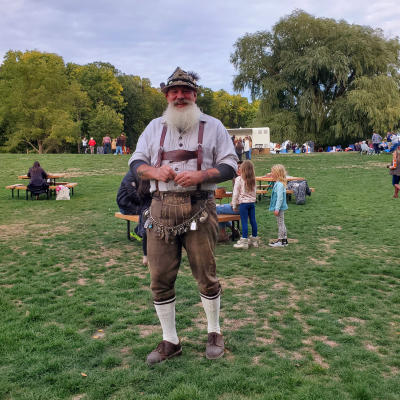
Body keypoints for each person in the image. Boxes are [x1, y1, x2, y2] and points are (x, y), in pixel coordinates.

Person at [128, 67, 237, 364]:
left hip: (200, 207)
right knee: (160, 276)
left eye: (185, 91)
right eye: (174, 92)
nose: (180, 96)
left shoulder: (214, 126)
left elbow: (231, 165)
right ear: (166, 96)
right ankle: (170, 340)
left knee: (206, 274)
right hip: (160, 208)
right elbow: (136, 161)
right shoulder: (153, 127)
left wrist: (202, 174)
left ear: (195, 95)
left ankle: (214, 331)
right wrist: (153, 171)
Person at [117, 170, 152, 264]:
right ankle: (139, 231)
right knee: (146, 213)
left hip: (136, 204)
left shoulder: (141, 175)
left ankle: (139, 231)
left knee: (149, 211)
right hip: (126, 205)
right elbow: (133, 194)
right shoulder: (130, 177)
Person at [231, 160, 259, 249]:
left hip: (243, 204)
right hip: (252, 203)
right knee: (253, 221)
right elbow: (255, 192)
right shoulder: (253, 179)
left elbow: (235, 193)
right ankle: (254, 239)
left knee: (244, 222)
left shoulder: (239, 179)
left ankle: (244, 241)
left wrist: (234, 205)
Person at [268, 164, 289, 247]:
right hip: (279, 207)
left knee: (280, 224)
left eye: (272, 172)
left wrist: (277, 208)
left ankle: (280, 241)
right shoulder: (278, 183)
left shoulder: (279, 184)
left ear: (277, 173)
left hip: (279, 208)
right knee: (282, 223)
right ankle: (284, 240)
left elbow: (280, 198)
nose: (271, 174)